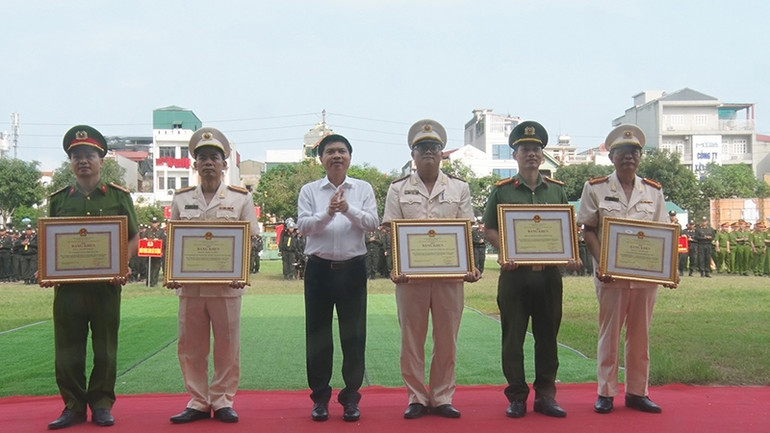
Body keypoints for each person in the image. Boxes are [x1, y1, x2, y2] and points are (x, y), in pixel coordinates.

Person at [382, 119, 481, 420]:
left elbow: (466, 230)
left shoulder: (459, 188)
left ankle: (441, 396)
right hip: (410, 278)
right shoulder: (398, 190)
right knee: (411, 339)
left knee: (446, 338)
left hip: (450, 277)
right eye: (422, 147)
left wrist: (470, 266)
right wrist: (394, 267)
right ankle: (415, 397)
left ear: (441, 154)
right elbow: (390, 231)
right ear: (413, 154)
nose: (428, 152)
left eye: (434, 147)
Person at [483, 120, 581, 419]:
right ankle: (516, 396)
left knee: (548, 337)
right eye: (525, 148)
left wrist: (570, 254)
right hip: (514, 276)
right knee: (512, 338)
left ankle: (546, 395)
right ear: (515, 154)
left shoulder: (557, 192)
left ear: (542, 154)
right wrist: (505, 252)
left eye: (536, 149)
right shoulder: (502, 191)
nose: (531, 154)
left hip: (549, 277)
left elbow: (566, 230)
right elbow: (489, 228)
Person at [44, 125, 139, 429]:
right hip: (69, 290)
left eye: (89, 155)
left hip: (105, 288)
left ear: (101, 160)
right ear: (70, 163)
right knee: (67, 350)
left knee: (105, 348)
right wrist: (44, 268)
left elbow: (133, 238)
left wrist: (121, 264)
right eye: (76, 156)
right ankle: (72, 405)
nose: (83, 161)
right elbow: (49, 241)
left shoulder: (118, 197)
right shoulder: (59, 200)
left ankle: (100, 403)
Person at [577, 124, 674, 415]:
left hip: (645, 278)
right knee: (610, 334)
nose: (629, 157)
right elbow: (588, 230)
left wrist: (667, 271)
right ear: (612, 157)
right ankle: (605, 392)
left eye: (634, 152)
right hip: (610, 275)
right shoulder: (595, 188)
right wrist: (602, 263)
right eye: (622, 152)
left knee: (640, 334)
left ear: (640, 157)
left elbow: (663, 234)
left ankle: (637, 392)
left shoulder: (653, 192)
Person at [166, 127, 260, 424]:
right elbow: (174, 240)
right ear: (194, 164)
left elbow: (250, 240)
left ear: (224, 164)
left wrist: (241, 271)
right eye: (202, 157)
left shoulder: (240, 198)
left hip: (226, 287)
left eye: (214, 158)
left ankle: (222, 400)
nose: (208, 163)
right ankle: (197, 400)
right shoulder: (181, 199)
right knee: (191, 346)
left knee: (227, 346)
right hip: (191, 288)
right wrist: (173, 273)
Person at [297, 134, 379, 422]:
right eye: (329, 151)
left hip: (353, 269)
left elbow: (372, 223)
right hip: (319, 270)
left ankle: (351, 398)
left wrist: (348, 209)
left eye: (341, 151)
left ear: (350, 157)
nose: (336, 156)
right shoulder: (310, 190)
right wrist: (328, 214)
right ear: (320, 159)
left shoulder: (363, 188)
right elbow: (303, 226)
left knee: (353, 337)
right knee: (318, 336)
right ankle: (320, 398)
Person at [142, 217, 165, 286]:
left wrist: (158, 241)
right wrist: (145, 239)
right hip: (149, 253)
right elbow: (143, 238)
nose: (154, 224)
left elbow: (164, 241)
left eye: (155, 222)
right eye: (153, 222)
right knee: (149, 267)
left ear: (158, 223)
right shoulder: (147, 231)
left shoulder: (161, 231)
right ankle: (148, 282)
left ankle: (154, 282)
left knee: (156, 267)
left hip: (157, 253)